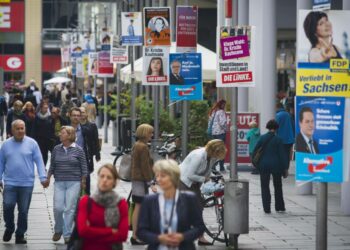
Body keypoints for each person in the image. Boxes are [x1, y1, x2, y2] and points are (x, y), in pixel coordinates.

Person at [137, 159, 206, 250]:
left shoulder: (189, 199)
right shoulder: (149, 201)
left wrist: (183, 237)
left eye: (163, 176)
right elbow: (141, 231)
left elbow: (199, 227)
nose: (158, 179)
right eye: (157, 176)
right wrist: (158, 238)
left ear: (173, 177)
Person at [0, 120, 48, 244]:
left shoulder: (32, 144)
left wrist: (43, 177)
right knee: (7, 206)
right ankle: (9, 227)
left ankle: (20, 234)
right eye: (18, 129)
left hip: (27, 184)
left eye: (22, 128)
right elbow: (1, 163)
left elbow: (39, 161)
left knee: (23, 211)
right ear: (12, 130)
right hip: (10, 182)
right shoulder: (5, 145)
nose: (21, 131)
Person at [179, 139, 227, 245]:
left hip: (193, 183)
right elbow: (189, 175)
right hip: (182, 181)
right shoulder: (198, 156)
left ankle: (200, 237)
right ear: (214, 150)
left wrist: (211, 178)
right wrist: (204, 179)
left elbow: (208, 171)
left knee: (199, 207)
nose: (218, 157)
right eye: (218, 154)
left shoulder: (212, 157)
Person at [46, 126, 88, 244]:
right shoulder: (56, 149)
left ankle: (67, 233)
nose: (60, 134)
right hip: (59, 182)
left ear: (69, 135)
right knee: (58, 208)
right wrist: (48, 177)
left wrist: (83, 181)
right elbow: (52, 165)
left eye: (62, 133)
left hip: (74, 182)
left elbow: (84, 166)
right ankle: (58, 229)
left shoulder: (78, 150)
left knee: (69, 208)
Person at [76, 164, 129, 250]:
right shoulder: (86, 201)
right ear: (98, 178)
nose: (104, 180)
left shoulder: (120, 203)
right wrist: (110, 231)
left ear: (114, 182)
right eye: (102, 176)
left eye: (109, 177)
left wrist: (91, 232)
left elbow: (122, 235)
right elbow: (82, 230)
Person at [253, 119, 288, 214]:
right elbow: (282, 155)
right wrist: (285, 168)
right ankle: (279, 207)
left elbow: (255, 151)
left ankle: (267, 208)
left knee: (264, 186)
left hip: (264, 165)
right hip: (276, 166)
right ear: (276, 128)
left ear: (268, 128)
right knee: (278, 186)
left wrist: (256, 164)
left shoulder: (262, 138)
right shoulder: (279, 140)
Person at [130, 123, 156, 245]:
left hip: (136, 179)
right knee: (139, 207)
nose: (152, 135)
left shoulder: (137, 145)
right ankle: (135, 236)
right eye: (150, 132)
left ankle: (136, 234)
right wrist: (151, 182)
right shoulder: (143, 147)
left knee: (138, 206)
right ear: (145, 133)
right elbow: (145, 167)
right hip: (140, 180)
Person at [70, 107, 101, 195]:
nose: (76, 117)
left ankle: (86, 201)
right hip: (70, 162)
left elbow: (94, 141)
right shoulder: (66, 130)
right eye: (74, 115)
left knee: (86, 183)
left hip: (84, 159)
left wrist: (96, 154)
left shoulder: (87, 129)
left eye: (78, 115)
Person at [207, 100, 227, 172]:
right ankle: (221, 167)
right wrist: (226, 129)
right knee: (221, 150)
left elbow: (209, 122)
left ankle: (213, 166)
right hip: (220, 133)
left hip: (213, 133)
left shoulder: (213, 111)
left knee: (214, 149)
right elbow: (223, 123)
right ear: (221, 105)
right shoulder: (221, 112)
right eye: (224, 104)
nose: (224, 106)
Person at [275, 102, 294, 168]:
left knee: (280, 154)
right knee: (287, 154)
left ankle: (282, 168)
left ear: (277, 107)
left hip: (280, 138)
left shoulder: (277, 115)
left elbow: (275, 127)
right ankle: (286, 168)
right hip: (290, 139)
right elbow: (293, 126)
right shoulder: (288, 115)